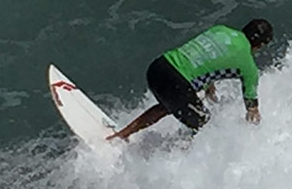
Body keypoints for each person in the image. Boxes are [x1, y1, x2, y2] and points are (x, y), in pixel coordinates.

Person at [108, 18, 273, 142]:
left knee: (168, 106)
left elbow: (209, 56)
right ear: (260, 45)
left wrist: (209, 85)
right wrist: (256, 132)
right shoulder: (249, 67)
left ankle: (121, 135)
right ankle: (184, 163)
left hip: (158, 67)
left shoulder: (221, 30)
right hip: (176, 83)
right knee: (205, 127)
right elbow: (251, 106)